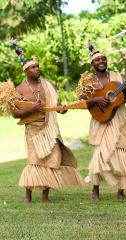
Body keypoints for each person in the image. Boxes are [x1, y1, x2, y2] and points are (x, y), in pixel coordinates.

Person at [77, 49, 126, 201]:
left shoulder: (117, 76)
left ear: (107, 61)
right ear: (92, 63)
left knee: (122, 153)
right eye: (97, 60)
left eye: (103, 59)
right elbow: (80, 100)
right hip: (100, 118)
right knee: (101, 153)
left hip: (120, 118)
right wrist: (97, 100)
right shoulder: (89, 80)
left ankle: (121, 191)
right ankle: (95, 188)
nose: (100, 62)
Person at [8, 57, 85, 204]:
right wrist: (32, 108)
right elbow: (15, 114)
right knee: (34, 161)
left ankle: (45, 196)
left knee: (53, 160)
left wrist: (62, 110)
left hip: (50, 128)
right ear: (26, 71)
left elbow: (57, 104)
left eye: (37, 66)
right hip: (32, 129)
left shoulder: (49, 85)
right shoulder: (20, 89)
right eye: (33, 67)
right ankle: (28, 195)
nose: (37, 69)